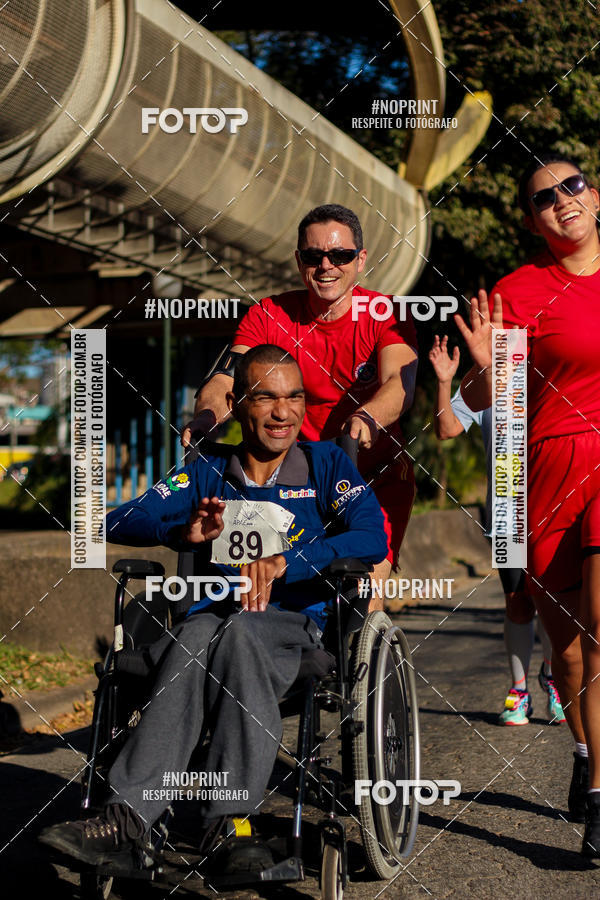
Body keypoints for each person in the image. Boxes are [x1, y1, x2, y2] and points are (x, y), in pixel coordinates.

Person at [40, 344, 388, 873]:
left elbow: (369, 536)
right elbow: (114, 519)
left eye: (294, 397)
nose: (283, 412)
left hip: (290, 632)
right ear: (239, 403)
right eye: (266, 397)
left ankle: (229, 820)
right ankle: (128, 823)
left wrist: (287, 561)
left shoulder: (325, 465)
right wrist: (179, 530)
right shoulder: (207, 472)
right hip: (208, 624)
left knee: (239, 635)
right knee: (196, 637)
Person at [454, 154, 600, 857]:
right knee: (567, 652)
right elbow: (486, 403)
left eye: (572, 187)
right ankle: (584, 749)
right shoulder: (519, 290)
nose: (561, 202)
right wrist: (484, 366)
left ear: (594, 195)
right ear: (532, 220)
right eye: (544, 198)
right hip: (543, 468)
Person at [182, 204, 418, 607]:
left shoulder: (385, 313)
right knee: (263, 599)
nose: (326, 266)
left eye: (340, 255)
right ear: (299, 261)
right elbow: (226, 378)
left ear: (360, 260)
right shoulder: (268, 315)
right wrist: (206, 418)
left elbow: (399, 384)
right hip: (289, 486)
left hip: (370, 480)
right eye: (313, 256)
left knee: (361, 600)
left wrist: (366, 416)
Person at [429, 334, 565, 726]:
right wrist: (442, 381)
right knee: (518, 602)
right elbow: (446, 429)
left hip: (558, 500)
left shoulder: (557, 366)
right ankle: (519, 690)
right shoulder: (484, 376)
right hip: (508, 504)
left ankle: (554, 677)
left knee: (557, 603)